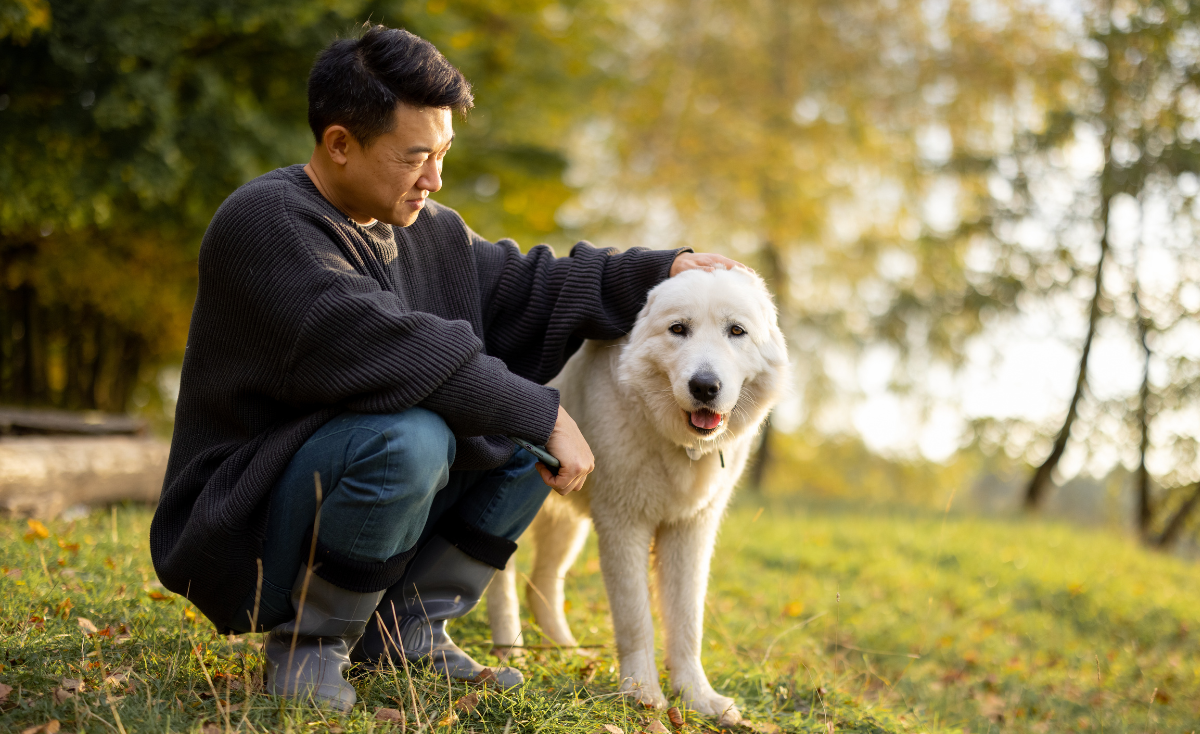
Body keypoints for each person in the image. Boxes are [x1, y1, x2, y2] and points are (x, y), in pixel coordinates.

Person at [149, 24, 742, 711]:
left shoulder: (426, 228)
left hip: (334, 492)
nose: (435, 178)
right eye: (416, 157)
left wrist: (658, 269)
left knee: (514, 443)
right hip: (244, 520)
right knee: (413, 438)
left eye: (444, 154)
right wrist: (545, 412)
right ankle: (310, 646)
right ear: (339, 144)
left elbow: (530, 287)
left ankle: (407, 635)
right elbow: (392, 344)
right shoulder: (266, 224)